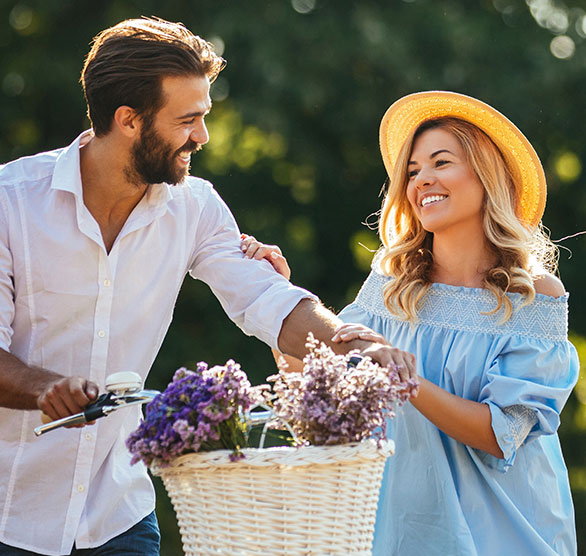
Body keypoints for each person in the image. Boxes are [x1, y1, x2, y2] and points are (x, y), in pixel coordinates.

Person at [0, 18, 414, 556]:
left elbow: (267, 300)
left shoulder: (195, 207)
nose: (203, 136)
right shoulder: (11, 203)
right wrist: (43, 388)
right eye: (188, 120)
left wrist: (354, 344)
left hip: (115, 515)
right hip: (11, 513)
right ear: (128, 120)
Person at [242, 91, 579, 555]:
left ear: (487, 175)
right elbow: (317, 399)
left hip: (505, 533)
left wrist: (405, 378)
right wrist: (282, 302)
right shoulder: (390, 288)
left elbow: (503, 435)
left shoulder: (533, 295)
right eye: (413, 171)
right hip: (401, 531)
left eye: (441, 162)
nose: (423, 180)